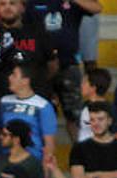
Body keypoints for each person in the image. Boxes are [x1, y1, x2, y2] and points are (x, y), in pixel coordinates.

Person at [26, 0, 98, 138]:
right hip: (41, 68)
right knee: (40, 116)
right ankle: (41, 155)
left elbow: (96, 8)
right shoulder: (33, 3)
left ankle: (81, 155)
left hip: (68, 66)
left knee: (75, 117)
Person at [0, 0, 54, 116]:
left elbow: (52, 66)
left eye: (12, 3)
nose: (7, 7)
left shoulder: (38, 33)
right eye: (3, 4)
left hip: (32, 106)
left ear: (22, 7)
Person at [0, 60, 58, 169]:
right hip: (6, 160)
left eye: (14, 75)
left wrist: (45, 175)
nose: (9, 77)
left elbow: (49, 143)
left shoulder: (43, 105)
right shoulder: (4, 102)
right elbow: (0, 130)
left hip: (32, 164)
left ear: (25, 81)